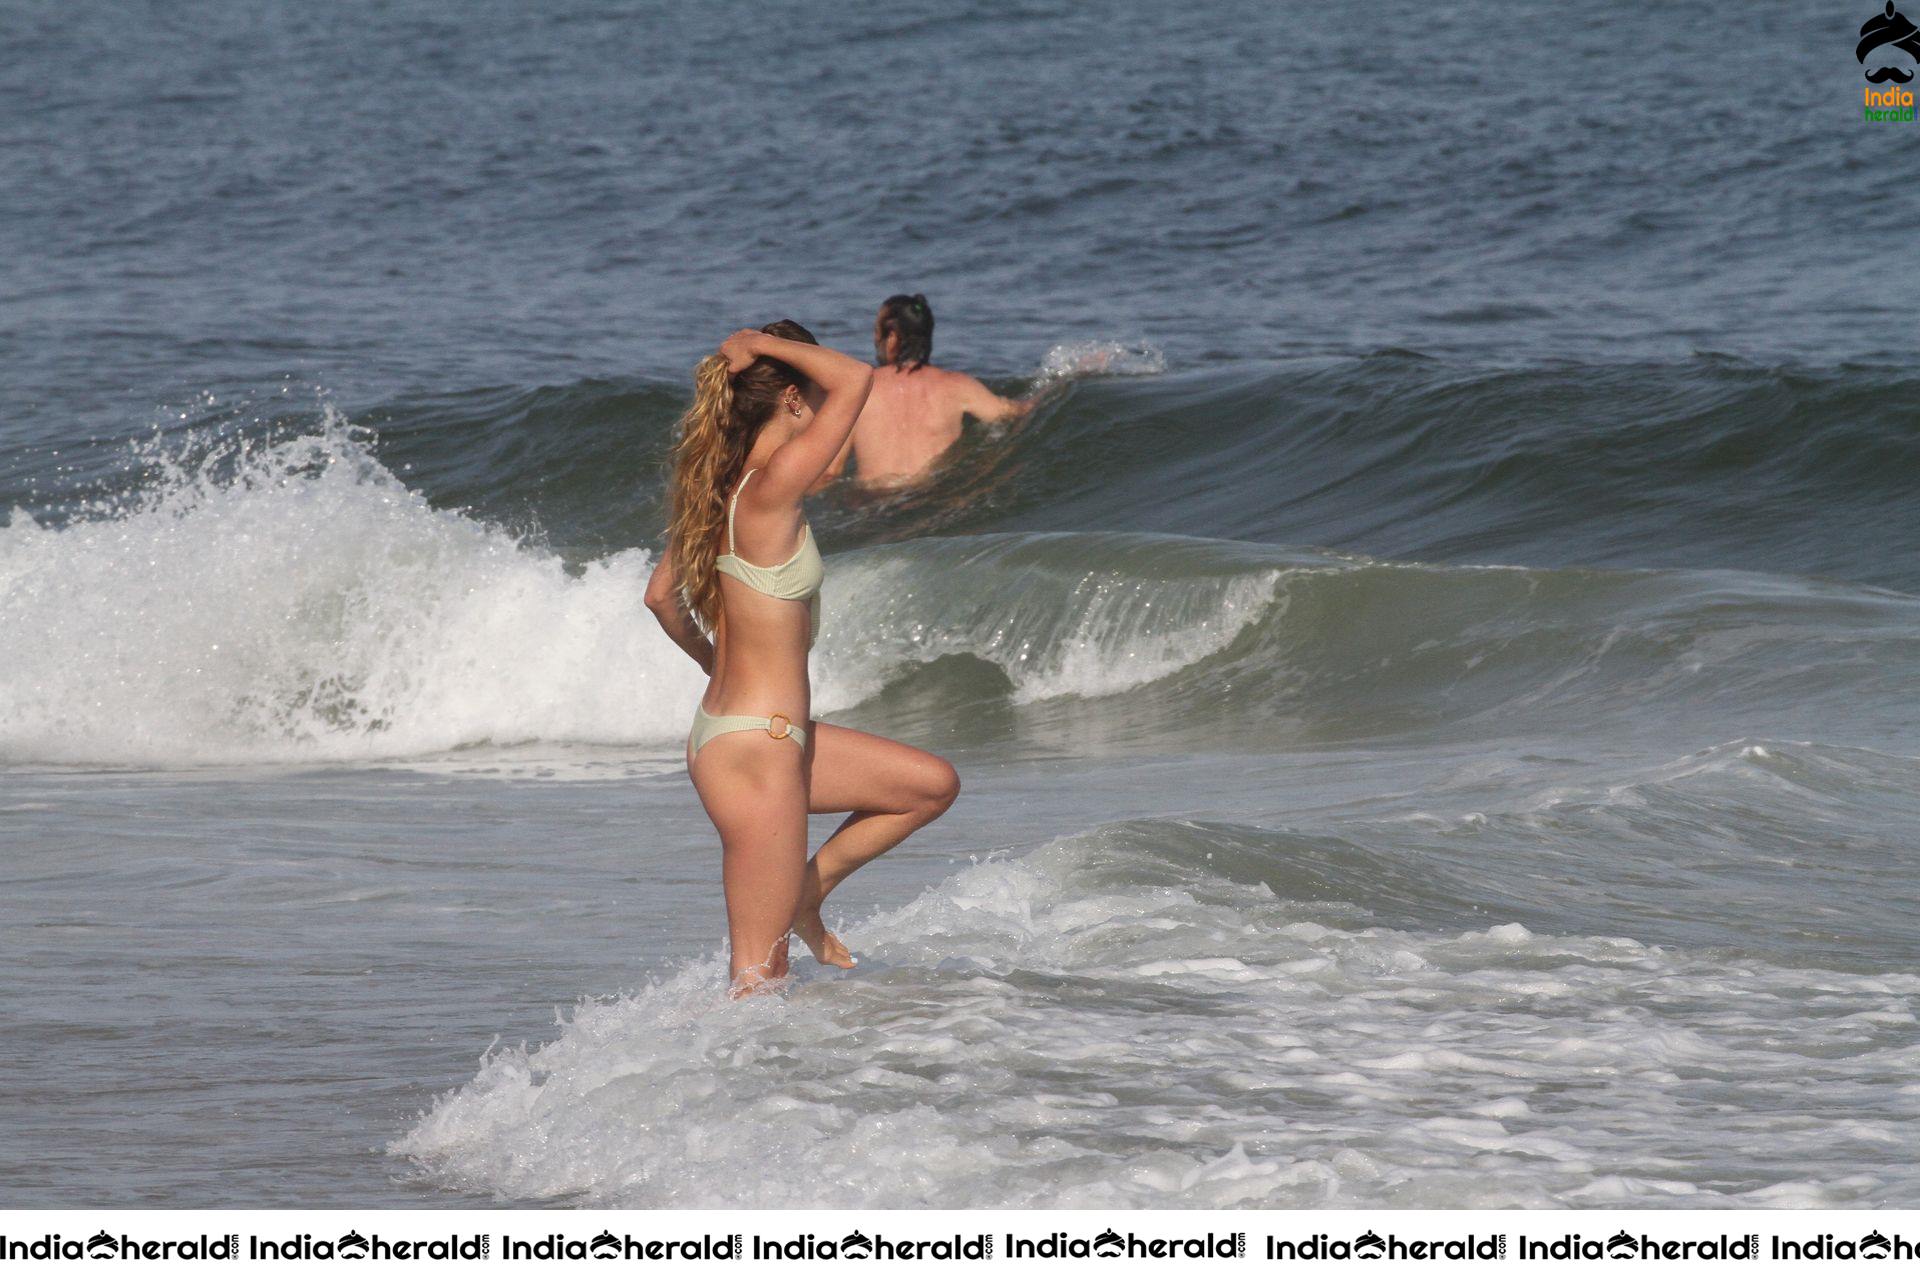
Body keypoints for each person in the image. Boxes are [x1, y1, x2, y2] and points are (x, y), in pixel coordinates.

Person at [644, 320, 961, 998]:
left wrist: (711, 662)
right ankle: (722, 1094)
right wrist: (758, 341)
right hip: (758, 750)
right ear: (792, 399)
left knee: (928, 785)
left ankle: (806, 896)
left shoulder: (719, 489)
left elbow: (660, 598)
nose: (825, 412)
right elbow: (858, 377)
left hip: (752, 738)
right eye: (810, 398)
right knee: (760, 977)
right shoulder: (770, 486)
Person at [818, 294, 1030, 488]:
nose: (875, 340)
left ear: (891, 338)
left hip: (875, 503)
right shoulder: (958, 385)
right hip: (934, 495)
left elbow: (831, 470)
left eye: (876, 332)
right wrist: (1050, 389)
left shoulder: (860, 388)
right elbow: (1010, 413)